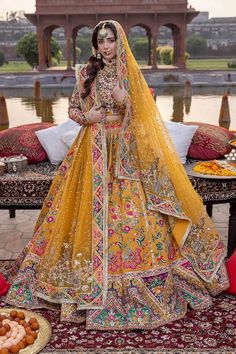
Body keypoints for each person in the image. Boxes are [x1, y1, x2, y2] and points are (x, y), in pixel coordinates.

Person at [6, 20, 229, 330]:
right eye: (101, 40)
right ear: (96, 44)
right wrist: (87, 117)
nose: (105, 45)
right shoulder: (87, 72)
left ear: (119, 41)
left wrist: (127, 101)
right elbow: (72, 109)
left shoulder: (130, 75)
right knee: (78, 213)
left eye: (110, 39)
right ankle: (82, 278)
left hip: (125, 155)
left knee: (133, 216)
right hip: (91, 150)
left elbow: (147, 117)